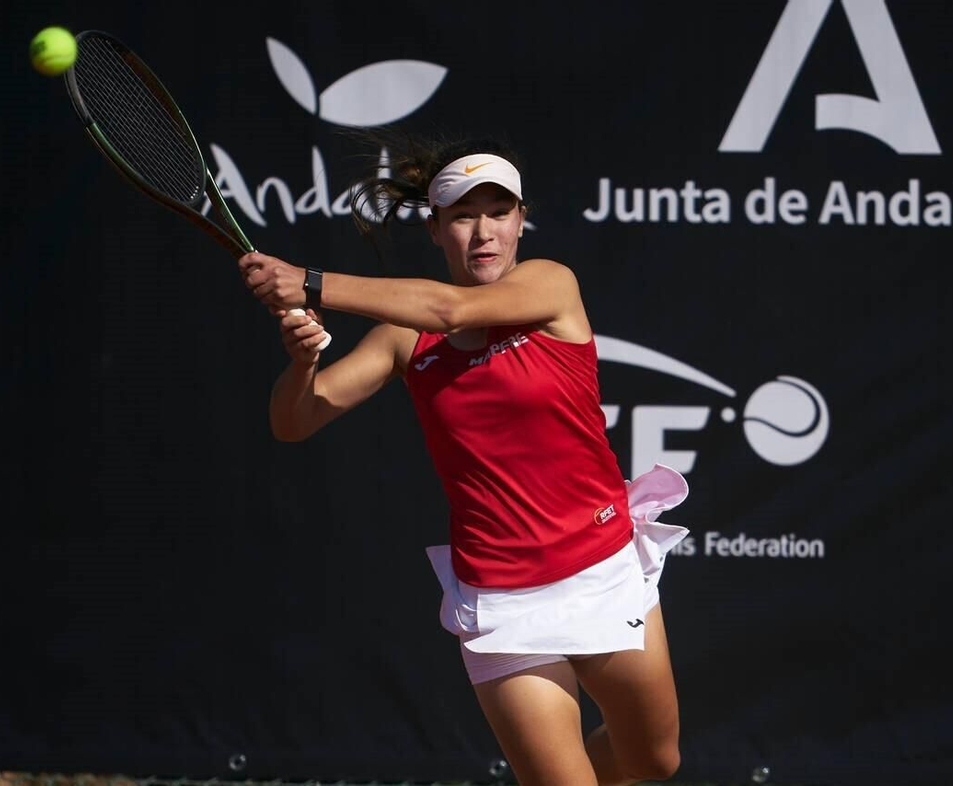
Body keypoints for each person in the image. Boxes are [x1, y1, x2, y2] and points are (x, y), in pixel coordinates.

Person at [239, 132, 691, 786]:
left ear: (520, 220)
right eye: (463, 215)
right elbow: (294, 421)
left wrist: (308, 281)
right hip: (503, 602)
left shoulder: (550, 285)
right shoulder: (402, 336)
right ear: (435, 228)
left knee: (655, 759)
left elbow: (452, 307)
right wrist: (303, 363)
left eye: (498, 212)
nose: (483, 232)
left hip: (604, 569)